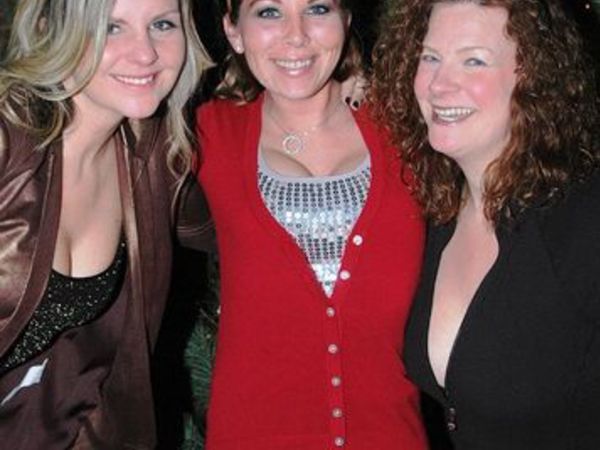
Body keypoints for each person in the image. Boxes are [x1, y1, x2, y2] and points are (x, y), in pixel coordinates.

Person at [194, 0, 428, 448]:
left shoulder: (410, 132)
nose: (296, 34)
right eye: (269, 12)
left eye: (318, 8)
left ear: (347, 19)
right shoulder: (208, 135)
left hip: (390, 435)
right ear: (233, 30)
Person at [371, 0, 600, 449]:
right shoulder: (440, 211)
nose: (439, 84)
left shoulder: (584, 220)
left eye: (473, 60)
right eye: (430, 57)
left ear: (535, 78)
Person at [0, 0, 213, 447]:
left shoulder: (153, 156)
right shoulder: (7, 138)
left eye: (162, 24)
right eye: (111, 27)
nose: (146, 52)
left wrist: (324, 101)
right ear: (50, 32)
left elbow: (237, 223)